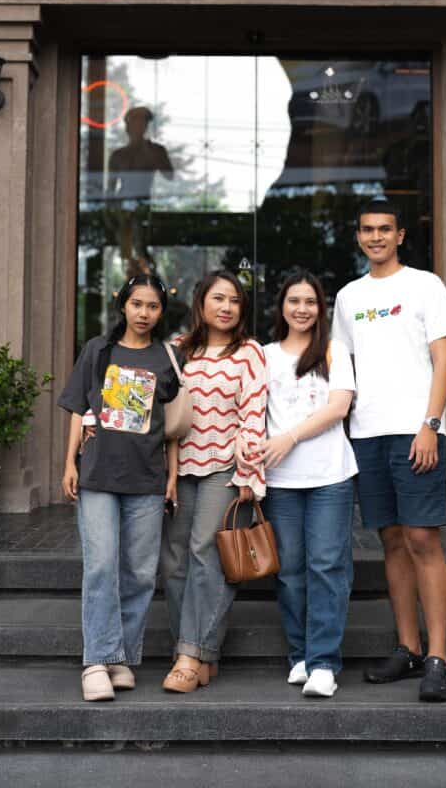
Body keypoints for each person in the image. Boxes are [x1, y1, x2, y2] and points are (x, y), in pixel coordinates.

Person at [331, 200, 446, 703]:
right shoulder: (348, 297)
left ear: (401, 234)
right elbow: (343, 365)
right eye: (367, 230)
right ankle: (408, 648)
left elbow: (444, 358)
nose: (376, 237)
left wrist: (429, 425)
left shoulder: (425, 285)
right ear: (358, 236)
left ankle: (439, 657)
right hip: (366, 433)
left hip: (416, 432)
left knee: (422, 537)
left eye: (385, 229)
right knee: (389, 540)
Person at [58, 274, 180, 703]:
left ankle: (122, 658)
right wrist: (69, 462)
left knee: (140, 573)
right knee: (101, 566)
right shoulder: (97, 350)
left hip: (147, 479)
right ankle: (96, 660)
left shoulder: (167, 358)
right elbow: (78, 408)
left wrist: (171, 476)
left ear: (161, 311)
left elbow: (174, 428)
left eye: (152, 306)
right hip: (97, 476)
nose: (144, 313)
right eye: (137, 305)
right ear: (123, 306)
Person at [160, 270, 266, 693]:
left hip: (225, 467)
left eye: (235, 301)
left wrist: (248, 473)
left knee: (207, 554)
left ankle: (189, 655)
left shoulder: (250, 353)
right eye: (218, 298)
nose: (226, 307)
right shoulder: (177, 351)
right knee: (172, 561)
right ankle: (200, 652)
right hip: (176, 468)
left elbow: (254, 413)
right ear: (201, 302)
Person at [259, 270, 357, 698]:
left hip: (330, 476)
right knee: (291, 571)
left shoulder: (334, 351)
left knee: (327, 567)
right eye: (294, 300)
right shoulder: (262, 356)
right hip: (280, 481)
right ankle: (299, 656)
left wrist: (290, 437)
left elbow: (339, 407)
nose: (302, 308)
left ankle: (324, 663)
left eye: (311, 302)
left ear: (321, 309)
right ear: (281, 306)